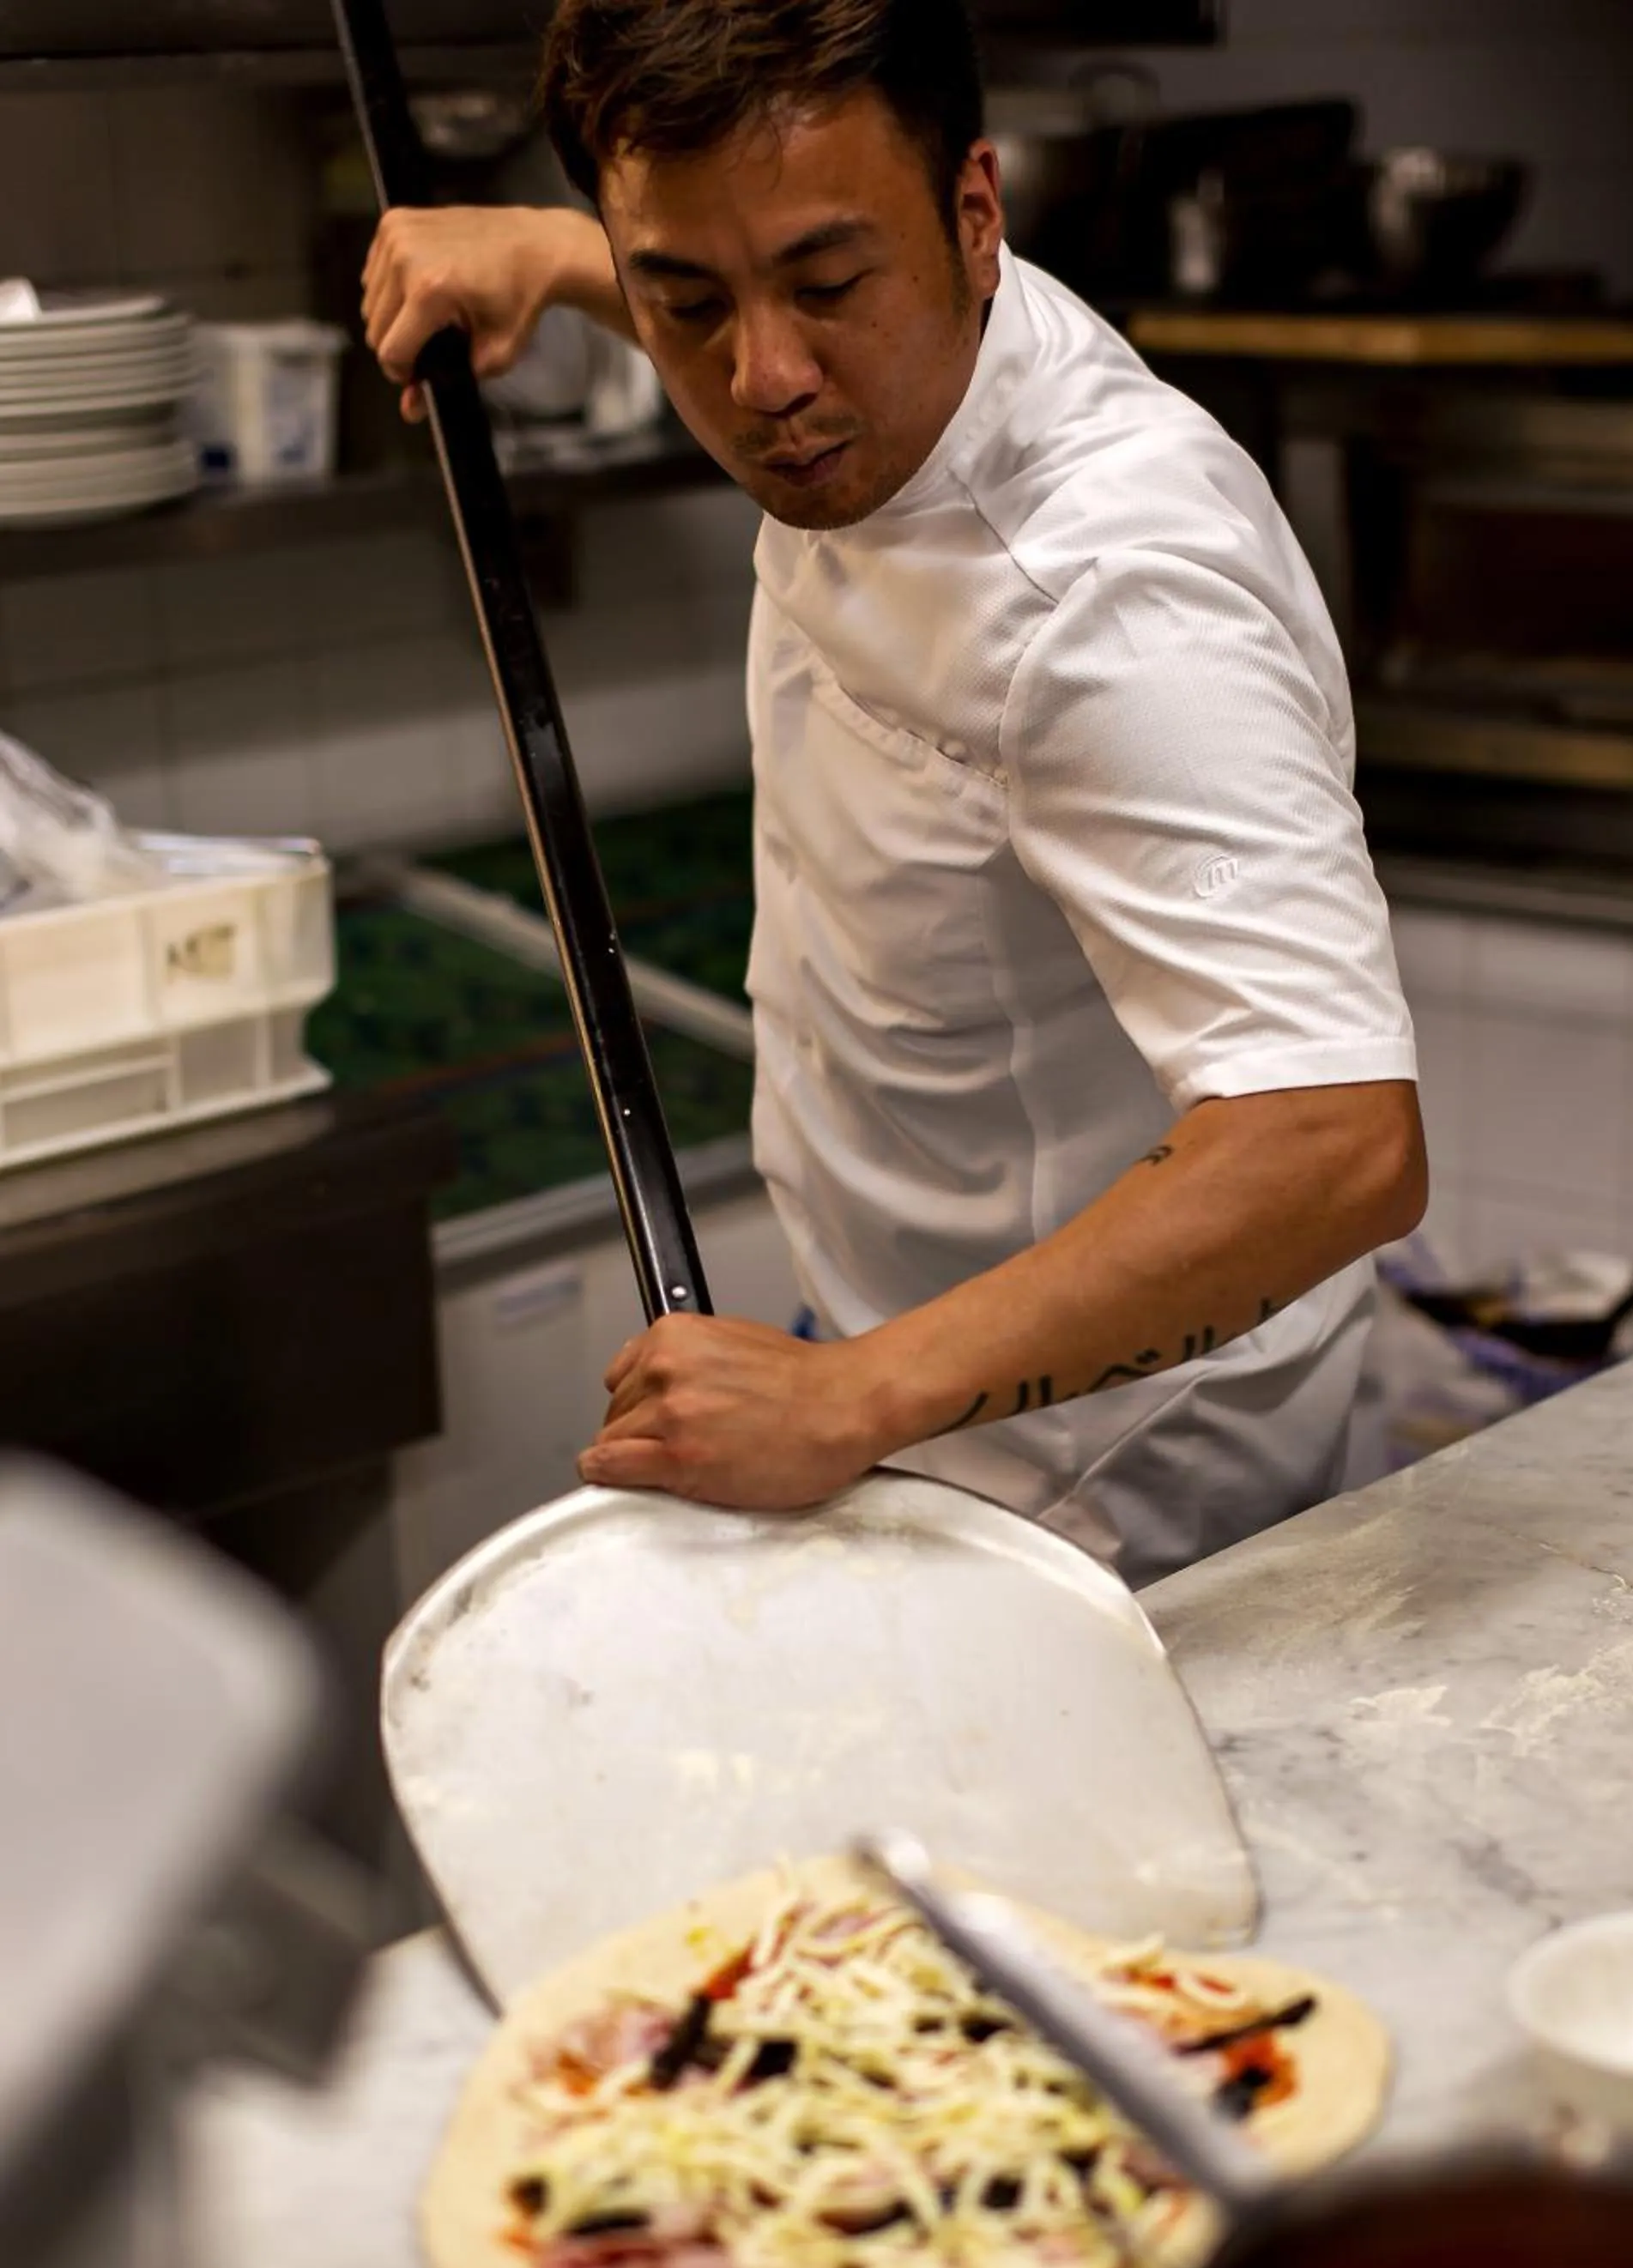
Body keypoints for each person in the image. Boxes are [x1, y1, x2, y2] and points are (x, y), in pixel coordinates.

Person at [361, 0, 1425, 1590]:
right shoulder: (868, 355)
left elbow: (1335, 1141)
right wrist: (552, 253)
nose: (764, 378)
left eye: (826, 284)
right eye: (682, 296)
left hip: (1118, 1481)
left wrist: (850, 1395)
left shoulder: (1116, 601)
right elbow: (744, 276)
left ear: (973, 215)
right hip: (891, 1352)